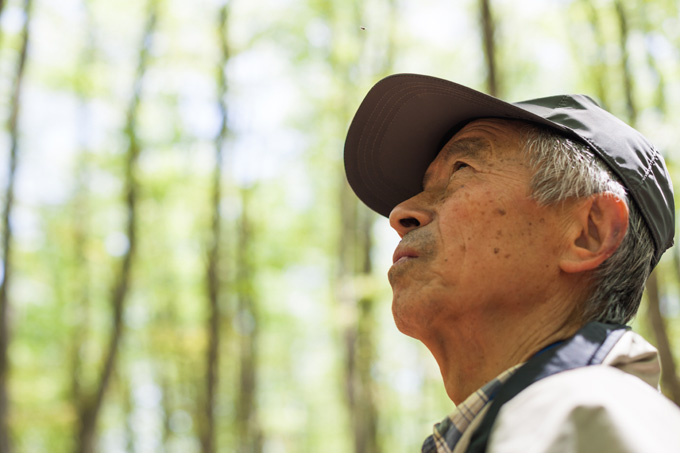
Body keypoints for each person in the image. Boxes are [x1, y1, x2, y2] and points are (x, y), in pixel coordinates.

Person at [344, 73, 680, 452]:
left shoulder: (592, 420)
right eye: (424, 186)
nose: (401, 213)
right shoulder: (539, 429)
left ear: (589, 231)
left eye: (461, 169)